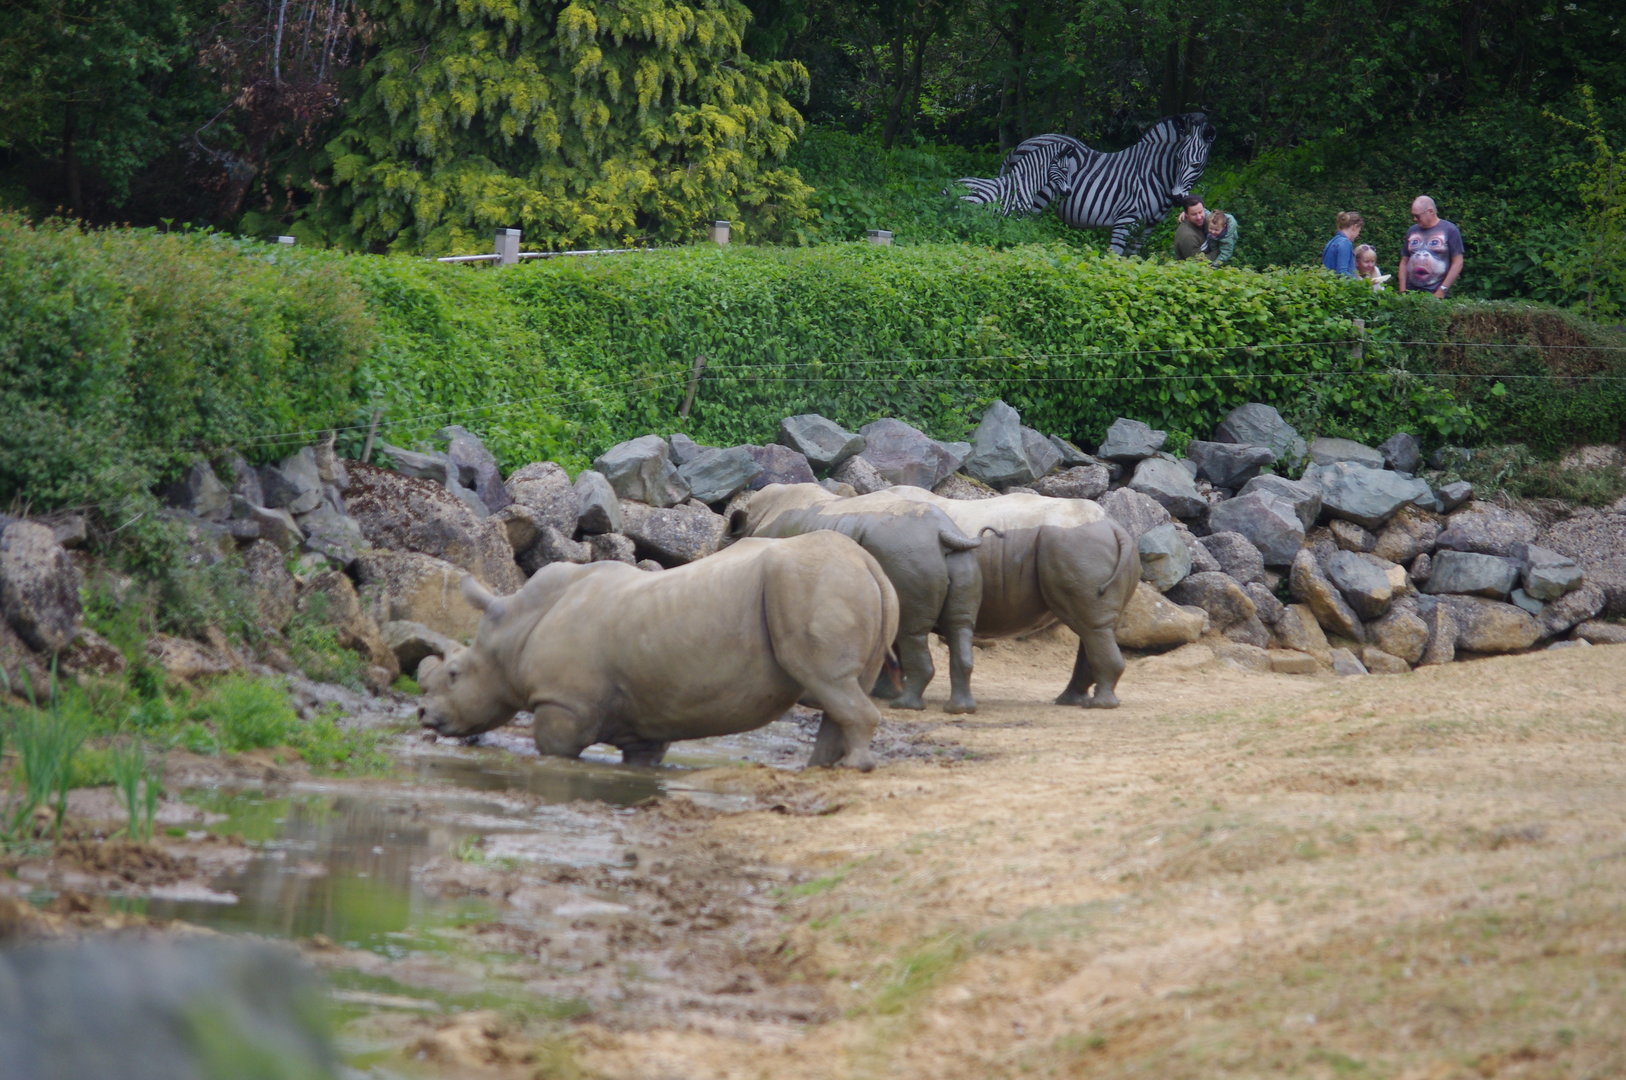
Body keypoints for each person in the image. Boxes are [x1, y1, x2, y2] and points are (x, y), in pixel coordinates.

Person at [1398, 195, 1464, 297]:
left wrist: (1442, 290)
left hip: (1436, 293)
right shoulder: (1412, 230)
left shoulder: (1450, 230)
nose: (1414, 219)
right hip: (1410, 293)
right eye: (1413, 215)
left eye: (1417, 216)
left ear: (1430, 211)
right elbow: (1404, 262)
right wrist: (1402, 291)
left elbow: (1458, 262)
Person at [1321, 211, 1363, 276]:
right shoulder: (1345, 243)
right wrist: (1361, 283)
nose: (1358, 234)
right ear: (1354, 227)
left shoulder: (1333, 241)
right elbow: (1342, 272)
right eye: (1359, 231)